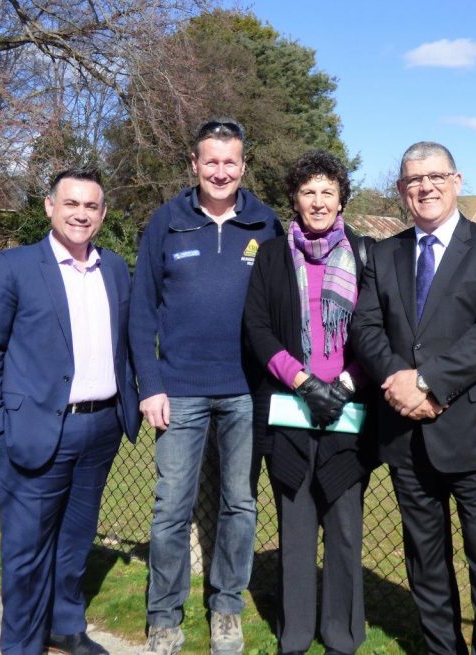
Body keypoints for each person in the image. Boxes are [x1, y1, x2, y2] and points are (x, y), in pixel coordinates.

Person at [351, 141, 476, 655]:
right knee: (424, 561)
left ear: (456, 181)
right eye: (412, 180)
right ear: (402, 190)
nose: (423, 187)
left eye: (434, 177)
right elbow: (366, 326)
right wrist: (401, 385)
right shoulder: (384, 253)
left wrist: (425, 383)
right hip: (406, 436)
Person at [0, 168, 141, 655]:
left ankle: (65, 628)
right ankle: (21, 645)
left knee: (74, 542)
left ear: (103, 214)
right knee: (25, 554)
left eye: (91, 206)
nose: (81, 214)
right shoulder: (14, 267)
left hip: (101, 427)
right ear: (49, 206)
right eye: (72, 203)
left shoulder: (115, 269)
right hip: (35, 431)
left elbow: (127, 343)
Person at [130, 118, 283, 655]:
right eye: (210, 161)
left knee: (240, 504)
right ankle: (164, 616)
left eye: (230, 161)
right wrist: (150, 384)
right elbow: (140, 309)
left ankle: (226, 609)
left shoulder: (267, 224)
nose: (220, 171)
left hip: (247, 391)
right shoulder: (166, 223)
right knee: (171, 506)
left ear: (244, 166)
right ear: (194, 165)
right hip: (179, 390)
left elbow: (285, 306)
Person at [243, 150, 375, 655]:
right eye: (308, 192)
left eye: (327, 191)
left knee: (344, 527)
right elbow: (256, 326)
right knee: (295, 529)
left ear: (341, 197)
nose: (318, 201)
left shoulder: (365, 255)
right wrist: (301, 381)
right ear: (294, 199)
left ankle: (341, 634)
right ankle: (295, 632)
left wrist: (343, 385)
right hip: (290, 408)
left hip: (347, 408)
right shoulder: (273, 256)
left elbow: (376, 331)